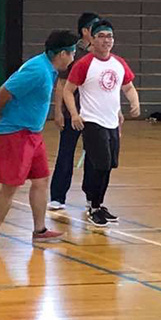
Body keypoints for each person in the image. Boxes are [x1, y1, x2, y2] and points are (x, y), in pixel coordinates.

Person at [0, 31, 78, 247]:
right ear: (63, 54)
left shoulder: (49, 69)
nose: (73, 58)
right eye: (72, 53)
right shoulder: (37, 71)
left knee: (41, 180)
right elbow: (4, 91)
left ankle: (40, 230)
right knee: (10, 186)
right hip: (15, 134)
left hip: (34, 133)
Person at [64, 19, 141, 228]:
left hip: (112, 122)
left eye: (109, 36)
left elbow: (128, 87)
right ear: (93, 39)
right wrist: (74, 114)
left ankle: (98, 203)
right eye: (101, 36)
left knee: (109, 165)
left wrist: (134, 102)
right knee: (101, 164)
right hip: (92, 121)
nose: (106, 40)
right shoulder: (84, 64)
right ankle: (94, 206)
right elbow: (68, 90)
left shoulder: (119, 63)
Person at [48, 12, 99, 211]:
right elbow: (61, 84)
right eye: (94, 27)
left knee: (94, 156)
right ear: (85, 31)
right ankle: (58, 196)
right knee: (65, 153)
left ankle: (92, 196)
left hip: (93, 114)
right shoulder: (73, 53)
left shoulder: (100, 54)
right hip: (72, 113)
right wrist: (58, 111)